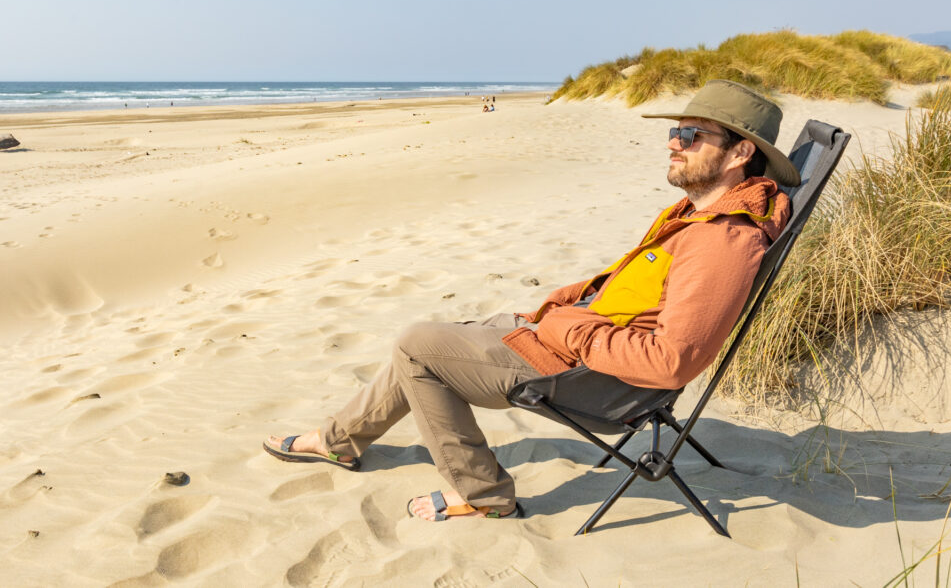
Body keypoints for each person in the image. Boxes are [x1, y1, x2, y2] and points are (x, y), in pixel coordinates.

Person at [264, 79, 801, 522]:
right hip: (578, 342)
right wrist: (559, 308)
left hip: (592, 379)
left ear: (741, 152)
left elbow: (673, 361)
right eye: (673, 130)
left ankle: (480, 494)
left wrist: (565, 329)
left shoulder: (722, 239)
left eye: (691, 134)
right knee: (439, 338)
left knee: (416, 346)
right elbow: (624, 288)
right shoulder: (695, 213)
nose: (673, 142)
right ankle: (340, 439)